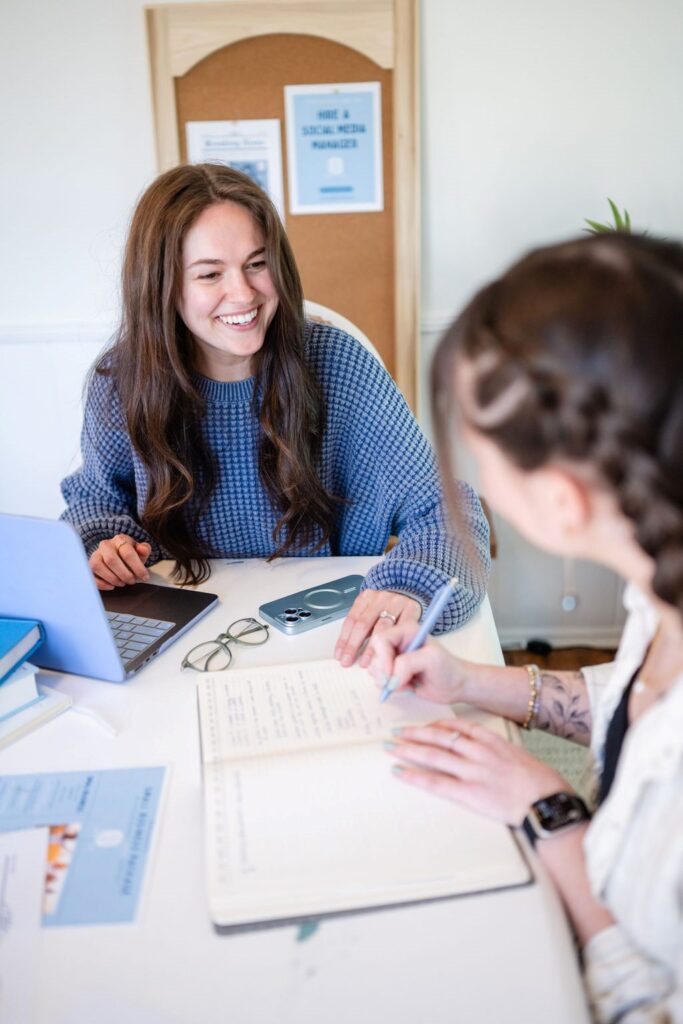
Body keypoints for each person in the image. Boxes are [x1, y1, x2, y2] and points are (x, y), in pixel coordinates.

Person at [369, 233, 683, 1022]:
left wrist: (553, 816)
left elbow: (651, 1004)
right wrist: (473, 682)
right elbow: (634, 703)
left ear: (561, 500)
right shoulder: (660, 588)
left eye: (483, 455)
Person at [61, 163, 490, 664]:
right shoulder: (121, 382)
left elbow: (447, 511)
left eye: (257, 264)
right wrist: (102, 547)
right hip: (180, 647)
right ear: (162, 286)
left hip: (321, 642)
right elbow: (93, 502)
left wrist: (410, 587)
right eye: (210, 274)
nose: (243, 294)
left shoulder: (339, 366)